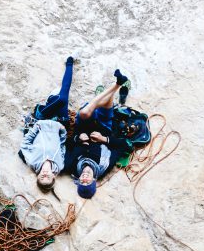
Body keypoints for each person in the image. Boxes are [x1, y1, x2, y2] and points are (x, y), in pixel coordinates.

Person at [65, 69, 129, 199]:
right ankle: (113, 88)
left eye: (81, 182)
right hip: (104, 127)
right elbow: (123, 146)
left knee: (84, 113)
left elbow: (66, 143)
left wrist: (78, 138)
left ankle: (115, 87)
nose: (84, 178)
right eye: (87, 182)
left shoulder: (71, 166)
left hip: (84, 124)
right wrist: (104, 139)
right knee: (105, 106)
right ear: (94, 180)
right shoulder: (104, 165)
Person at [19, 56, 75, 190]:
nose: (45, 174)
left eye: (41, 177)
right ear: (53, 176)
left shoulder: (32, 161)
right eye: (47, 177)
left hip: (41, 121)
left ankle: (53, 98)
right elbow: (62, 147)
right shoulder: (60, 165)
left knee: (61, 99)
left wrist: (37, 127)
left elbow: (25, 144)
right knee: (63, 96)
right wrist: (62, 131)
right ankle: (70, 62)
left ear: (37, 176)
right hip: (59, 125)